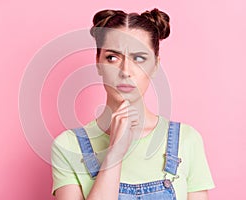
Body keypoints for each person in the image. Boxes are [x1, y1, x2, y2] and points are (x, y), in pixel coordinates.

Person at [51, 8, 215, 200]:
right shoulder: (67, 146)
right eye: (112, 57)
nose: (125, 71)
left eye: (139, 58)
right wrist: (115, 153)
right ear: (98, 63)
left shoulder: (187, 140)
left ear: (155, 65)